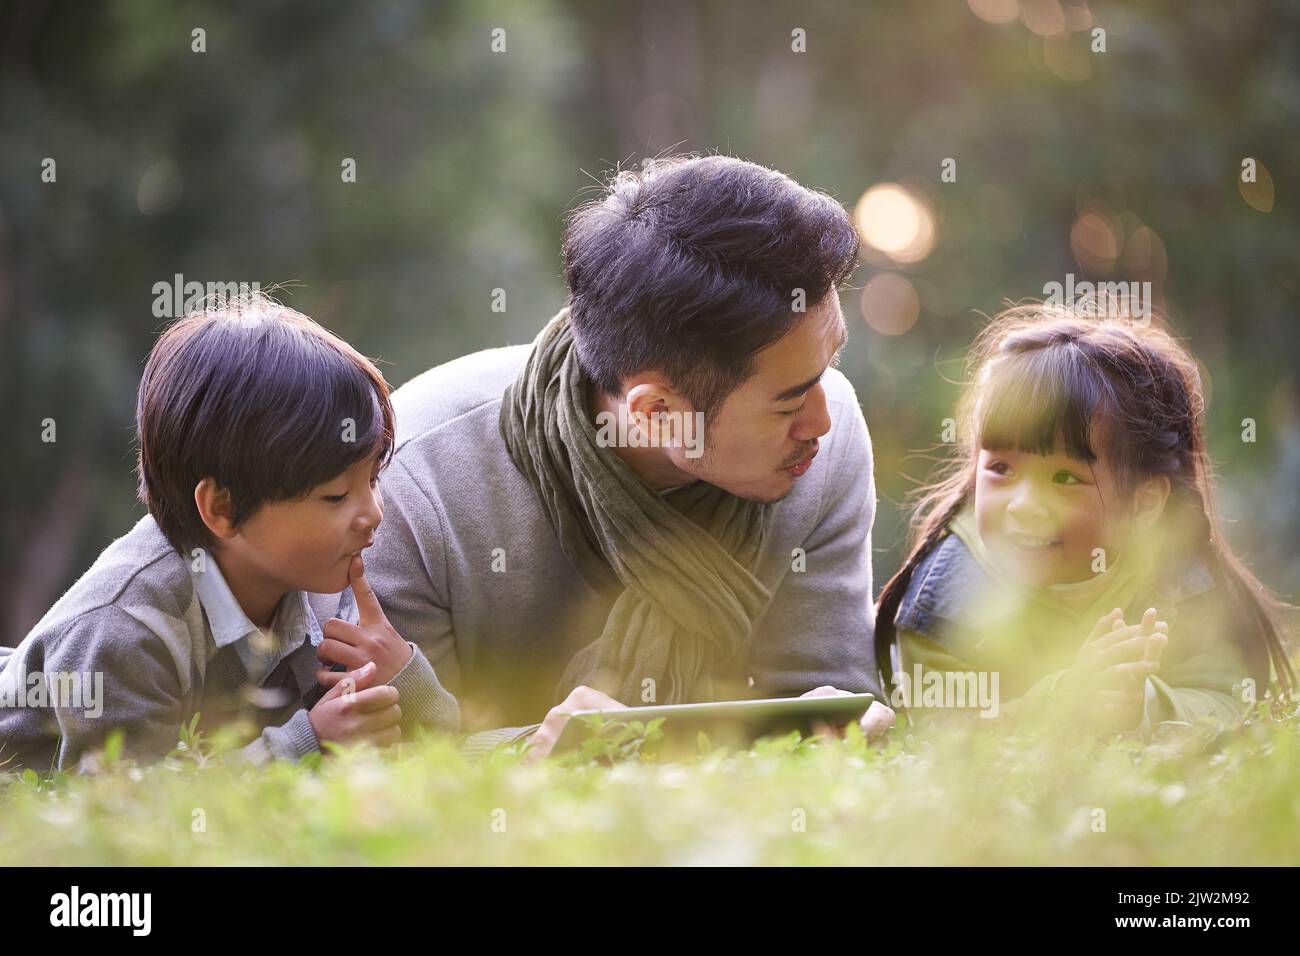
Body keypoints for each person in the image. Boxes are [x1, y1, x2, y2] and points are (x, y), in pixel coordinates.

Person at [357, 155, 895, 756]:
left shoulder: (830, 434)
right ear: (657, 413)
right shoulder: (414, 483)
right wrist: (533, 754)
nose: (822, 419)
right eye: (788, 401)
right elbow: (390, 763)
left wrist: (828, 734)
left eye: (830, 366)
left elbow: (831, 699)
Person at [0, 293, 458, 773]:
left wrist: (402, 676)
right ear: (222, 508)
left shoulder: (318, 599)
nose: (373, 513)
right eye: (336, 497)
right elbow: (122, 813)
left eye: (372, 480)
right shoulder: (124, 629)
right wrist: (307, 742)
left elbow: (451, 762)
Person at [874, 304, 1294, 734]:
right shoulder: (947, 596)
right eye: (1001, 469)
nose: (1023, 505)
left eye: (1063, 477)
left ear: (1145, 503)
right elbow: (941, 735)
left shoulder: (1173, 575)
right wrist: (1062, 702)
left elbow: (1225, 700)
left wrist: (1145, 707)